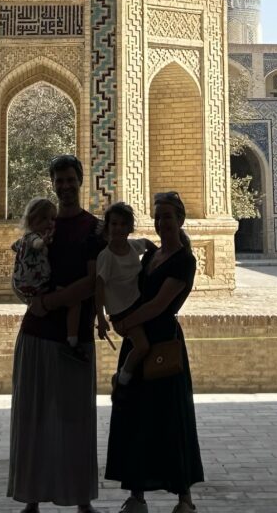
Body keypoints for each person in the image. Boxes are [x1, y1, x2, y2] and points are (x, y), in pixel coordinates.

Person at [7, 154, 106, 513]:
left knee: (76, 420)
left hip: (73, 336)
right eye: (59, 180)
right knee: (33, 417)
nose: (65, 186)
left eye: (70, 179)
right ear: (53, 183)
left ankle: (81, 501)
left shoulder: (94, 229)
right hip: (37, 332)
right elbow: (21, 275)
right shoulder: (41, 226)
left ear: (81, 180)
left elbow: (96, 283)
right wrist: (35, 300)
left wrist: (52, 302)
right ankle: (31, 500)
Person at [105, 191, 204, 513]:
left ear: (180, 220)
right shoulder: (151, 255)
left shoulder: (184, 260)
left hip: (162, 342)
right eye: (158, 216)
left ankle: (184, 499)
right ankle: (137, 496)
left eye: (168, 217)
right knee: (136, 418)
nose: (162, 223)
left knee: (170, 419)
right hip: (140, 340)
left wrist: (124, 323)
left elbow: (160, 304)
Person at [11, 196, 85, 359]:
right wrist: (43, 242)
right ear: (32, 221)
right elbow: (36, 244)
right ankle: (72, 341)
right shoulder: (33, 238)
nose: (50, 223)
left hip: (25, 288)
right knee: (73, 300)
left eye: (53, 218)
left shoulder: (24, 239)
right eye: (44, 218)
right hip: (38, 286)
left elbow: (14, 246)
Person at [94, 202, 152, 390]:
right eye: (114, 224)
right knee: (142, 347)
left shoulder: (133, 247)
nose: (118, 228)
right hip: (123, 313)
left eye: (123, 224)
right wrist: (101, 319)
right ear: (107, 227)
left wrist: (158, 255)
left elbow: (147, 244)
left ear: (129, 227)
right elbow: (99, 288)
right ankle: (122, 377)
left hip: (138, 306)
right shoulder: (107, 256)